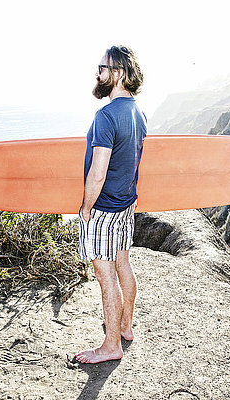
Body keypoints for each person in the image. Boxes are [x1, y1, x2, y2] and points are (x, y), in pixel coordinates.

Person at [75, 45, 147, 364]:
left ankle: (110, 345)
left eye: (102, 68)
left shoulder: (105, 116)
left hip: (104, 208)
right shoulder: (139, 113)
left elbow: (99, 169)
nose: (98, 73)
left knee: (105, 276)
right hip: (126, 204)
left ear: (118, 73)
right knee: (122, 263)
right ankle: (125, 327)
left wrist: (86, 208)